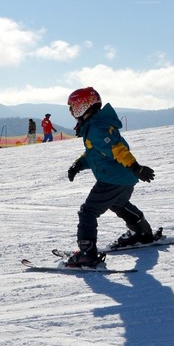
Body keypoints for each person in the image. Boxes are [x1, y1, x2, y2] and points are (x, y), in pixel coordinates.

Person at [65, 87, 156, 267]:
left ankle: (87, 253)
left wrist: (135, 166)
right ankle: (142, 232)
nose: (72, 112)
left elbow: (117, 150)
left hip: (112, 179)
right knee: (118, 204)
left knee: (88, 212)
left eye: (73, 107)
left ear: (83, 106)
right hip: (124, 178)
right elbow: (95, 153)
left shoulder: (97, 128)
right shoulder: (97, 125)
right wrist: (79, 164)